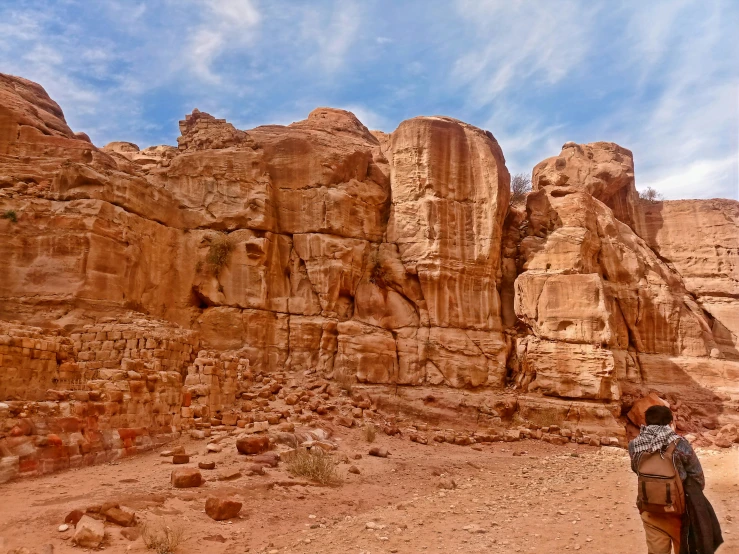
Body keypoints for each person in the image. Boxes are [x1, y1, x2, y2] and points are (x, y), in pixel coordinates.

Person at [628, 405, 704, 554]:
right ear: (670, 422)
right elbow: (697, 477)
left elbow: (636, 469)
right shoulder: (680, 444)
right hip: (680, 513)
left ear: (647, 422)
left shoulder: (634, 445)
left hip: (650, 509)